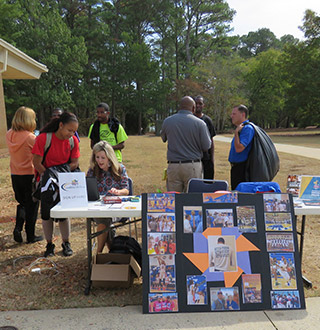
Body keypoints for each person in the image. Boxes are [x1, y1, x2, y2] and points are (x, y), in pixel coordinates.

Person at [32, 112, 80, 257]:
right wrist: (49, 176)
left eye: (74, 131)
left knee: (64, 213)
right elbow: (36, 163)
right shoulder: (43, 139)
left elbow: (74, 163)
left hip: (65, 180)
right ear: (60, 125)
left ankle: (66, 242)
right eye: (69, 130)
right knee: (46, 213)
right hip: (46, 180)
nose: (71, 134)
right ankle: (49, 244)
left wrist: (60, 175)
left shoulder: (73, 141)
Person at [5, 106, 43, 244]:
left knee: (21, 203)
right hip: (29, 174)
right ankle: (31, 235)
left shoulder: (9, 134)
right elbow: (40, 154)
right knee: (32, 205)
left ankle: (18, 228)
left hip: (15, 173)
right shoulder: (30, 137)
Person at [161, 96, 211, 192]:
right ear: (193, 108)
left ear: (180, 107)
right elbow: (206, 146)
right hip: (192, 165)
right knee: (192, 200)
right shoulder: (200, 123)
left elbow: (163, 138)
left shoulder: (168, 121)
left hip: (174, 165)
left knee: (174, 199)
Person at [86, 140, 129, 253]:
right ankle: (109, 253)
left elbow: (126, 190)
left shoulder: (120, 169)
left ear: (109, 158)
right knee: (104, 220)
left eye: (102, 158)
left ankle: (99, 254)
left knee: (104, 221)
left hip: (116, 208)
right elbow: (87, 190)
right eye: (97, 157)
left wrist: (118, 192)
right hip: (97, 208)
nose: (99, 160)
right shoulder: (92, 171)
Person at [228, 105, 255, 190]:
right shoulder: (242, 128)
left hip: (242, 169)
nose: (231, 116)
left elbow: (239, 148)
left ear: (243, 114)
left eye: (234, 114)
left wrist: (236, 133)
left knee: (240, 196)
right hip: (236, 168)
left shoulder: (247, 128)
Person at [194, 96, 216, 179]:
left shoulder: (207, 120)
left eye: (200, 103)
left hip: (206, 158)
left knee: (207, 182)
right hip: (194, 157)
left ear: (204, 106)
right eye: (196, 103)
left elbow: (211, 141)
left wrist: (212, 159)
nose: (198, 105)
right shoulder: (190, 120)